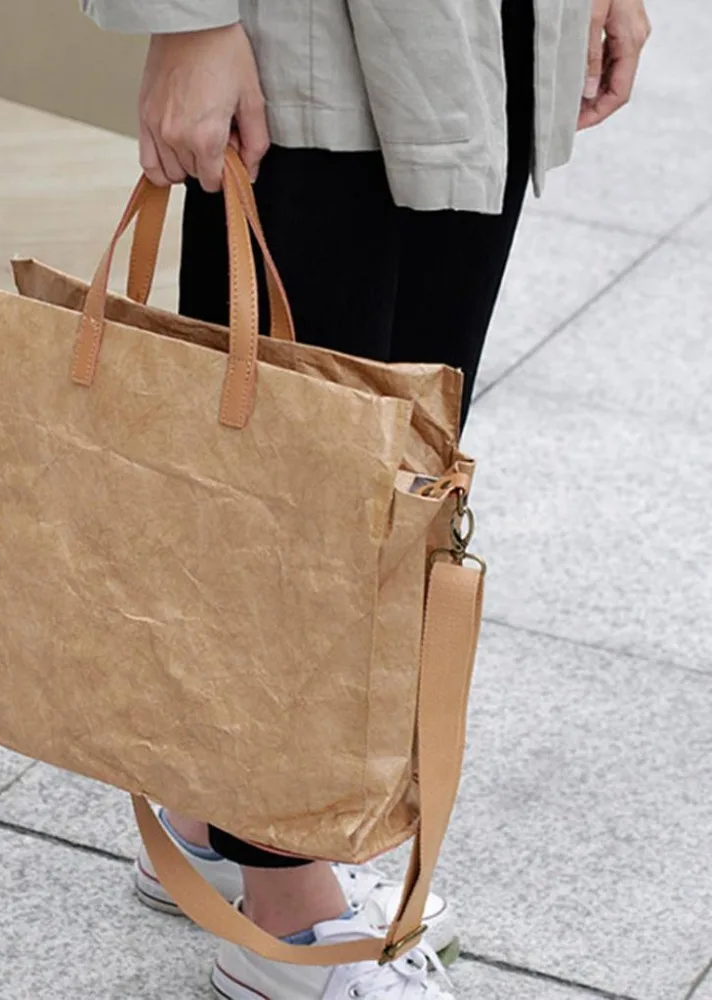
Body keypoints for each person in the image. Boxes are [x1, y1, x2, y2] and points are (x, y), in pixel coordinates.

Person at [85, 1, 650, 997]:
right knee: (295, 490)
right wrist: (187, 21)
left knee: (403, 460)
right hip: (306, 44)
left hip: (488, 35)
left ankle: (215, 819)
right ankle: (285, 913)